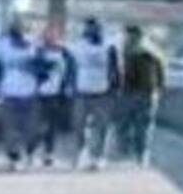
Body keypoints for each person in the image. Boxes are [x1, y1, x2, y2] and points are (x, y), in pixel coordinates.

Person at [71, 17, 121, 170]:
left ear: (100, 30)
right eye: (88, 28)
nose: (91, 31)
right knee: (79, 124)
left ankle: (98, 157)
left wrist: (115, 90)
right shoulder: (78, 46)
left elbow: (115, 71)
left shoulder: (109, 47)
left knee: (102, 126)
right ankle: (82, 152)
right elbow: (71, 68)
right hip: (82, 92)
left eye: (95, 28)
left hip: (102, 93)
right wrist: (70, 87)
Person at [0, 18, 41, 170]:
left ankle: (30, 152)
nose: (18, 32)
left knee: (31, 128)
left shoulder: (33, 44)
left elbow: (41, 66)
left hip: (30, 92)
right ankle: (13, 156)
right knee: (10, 127)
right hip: (10, 92)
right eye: (15, 29)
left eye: (20, 29)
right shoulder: (3, 46)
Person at [116, 25, 164, 168]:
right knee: (143, 126)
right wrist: (158, 90)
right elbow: (161, 74)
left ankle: (128, 151)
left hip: (133, 93)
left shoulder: (130, 51)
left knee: (128, 124)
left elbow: (124, 74)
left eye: (128, 35)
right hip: (148, 93)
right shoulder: (154, 52)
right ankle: (140, 154)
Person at [34, 27, 76, 166]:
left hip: (57, 93)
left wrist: (68, 86)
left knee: (51, 126)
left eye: (54, 36)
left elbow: (71, 70)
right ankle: (32, 150)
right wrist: (46, 68)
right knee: (40, 125)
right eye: (48, 36)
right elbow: (35, 69)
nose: (51, 39)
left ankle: (48, 154)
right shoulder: (39, 52)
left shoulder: (64, 53)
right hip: (41, 93)